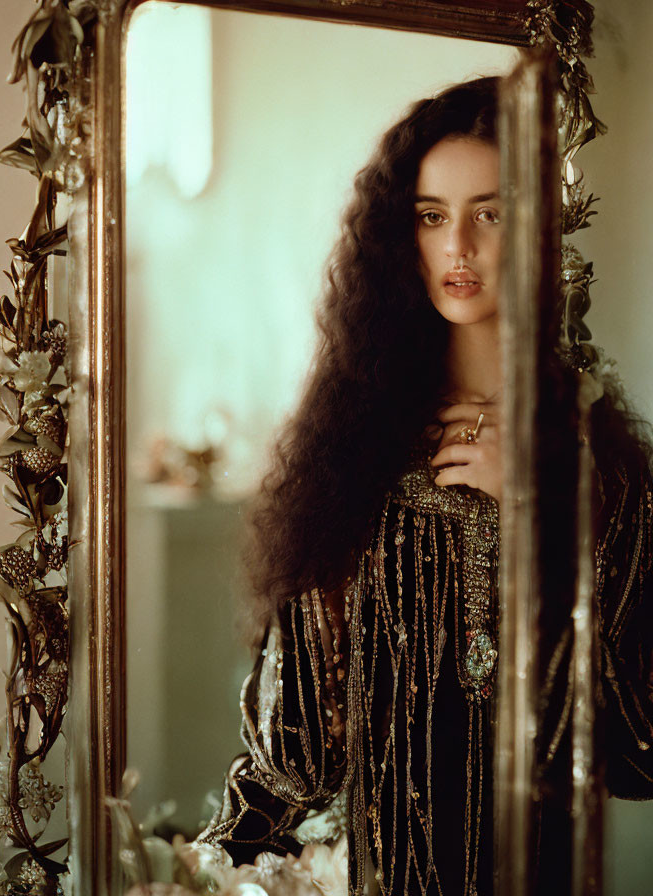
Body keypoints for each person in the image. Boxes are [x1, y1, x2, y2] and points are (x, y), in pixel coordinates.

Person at [198, 77, 653, 896]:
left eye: (491, 211)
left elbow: (638, 741)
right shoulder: (350, 460)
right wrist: (193, 869)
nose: (459, 249)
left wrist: (543, 512)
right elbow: (292, 759)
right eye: (432, 216)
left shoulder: (605, 475)